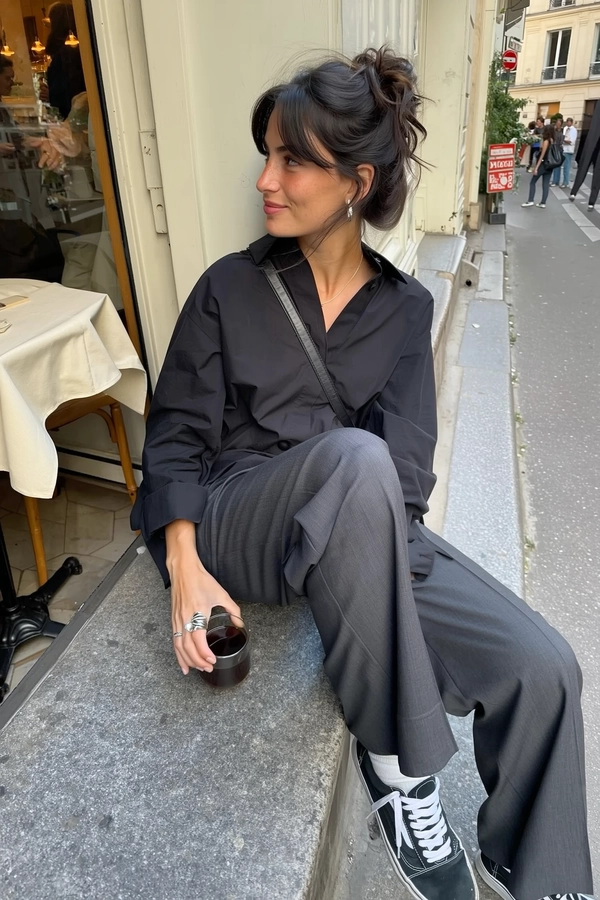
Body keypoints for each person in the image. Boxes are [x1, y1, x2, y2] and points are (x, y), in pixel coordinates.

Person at [132, 48, 594, 900]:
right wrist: (186, 567)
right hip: (243, 514)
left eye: (292, 159)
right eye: (266, 153)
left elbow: (406, 475)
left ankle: (536, 866)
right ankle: (396, 767)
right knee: (354, 458)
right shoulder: (227, 289)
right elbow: (174, 441)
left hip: (362, 517)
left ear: (355, 180)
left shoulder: (406, 308)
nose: (267, 179)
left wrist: (374, 554)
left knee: (546, 664)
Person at [521, 125, 555, 208]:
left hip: (543, 164)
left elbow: (542, 155)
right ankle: (543, 203)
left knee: (533, 182)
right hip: (550, 165)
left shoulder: (546, 141)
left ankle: (530, 200)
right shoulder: (552, 140)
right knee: (545, 184)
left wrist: (536, 168)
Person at [560, 117, 578, 188]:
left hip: (569, 149)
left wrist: (563, 140)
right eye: (567, 122)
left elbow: (571, 141)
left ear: (571, 122)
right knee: (564, 167)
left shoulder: (574, 130)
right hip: (564, 148)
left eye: (569, 122)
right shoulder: (565, 128)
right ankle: (564, 181)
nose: (568, 123)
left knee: (566, 167)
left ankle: (566, 182)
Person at [551, 115, 564, 186]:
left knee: (557, 166)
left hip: (559, 149)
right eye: (557, 124)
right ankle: (555, 180)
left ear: (561, 124)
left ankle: (555, 181)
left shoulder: (562, 132)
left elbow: (562, 141)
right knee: (555, 165)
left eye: (559, 124)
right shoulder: (554, 131)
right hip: (554, 148)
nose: (557, 125)